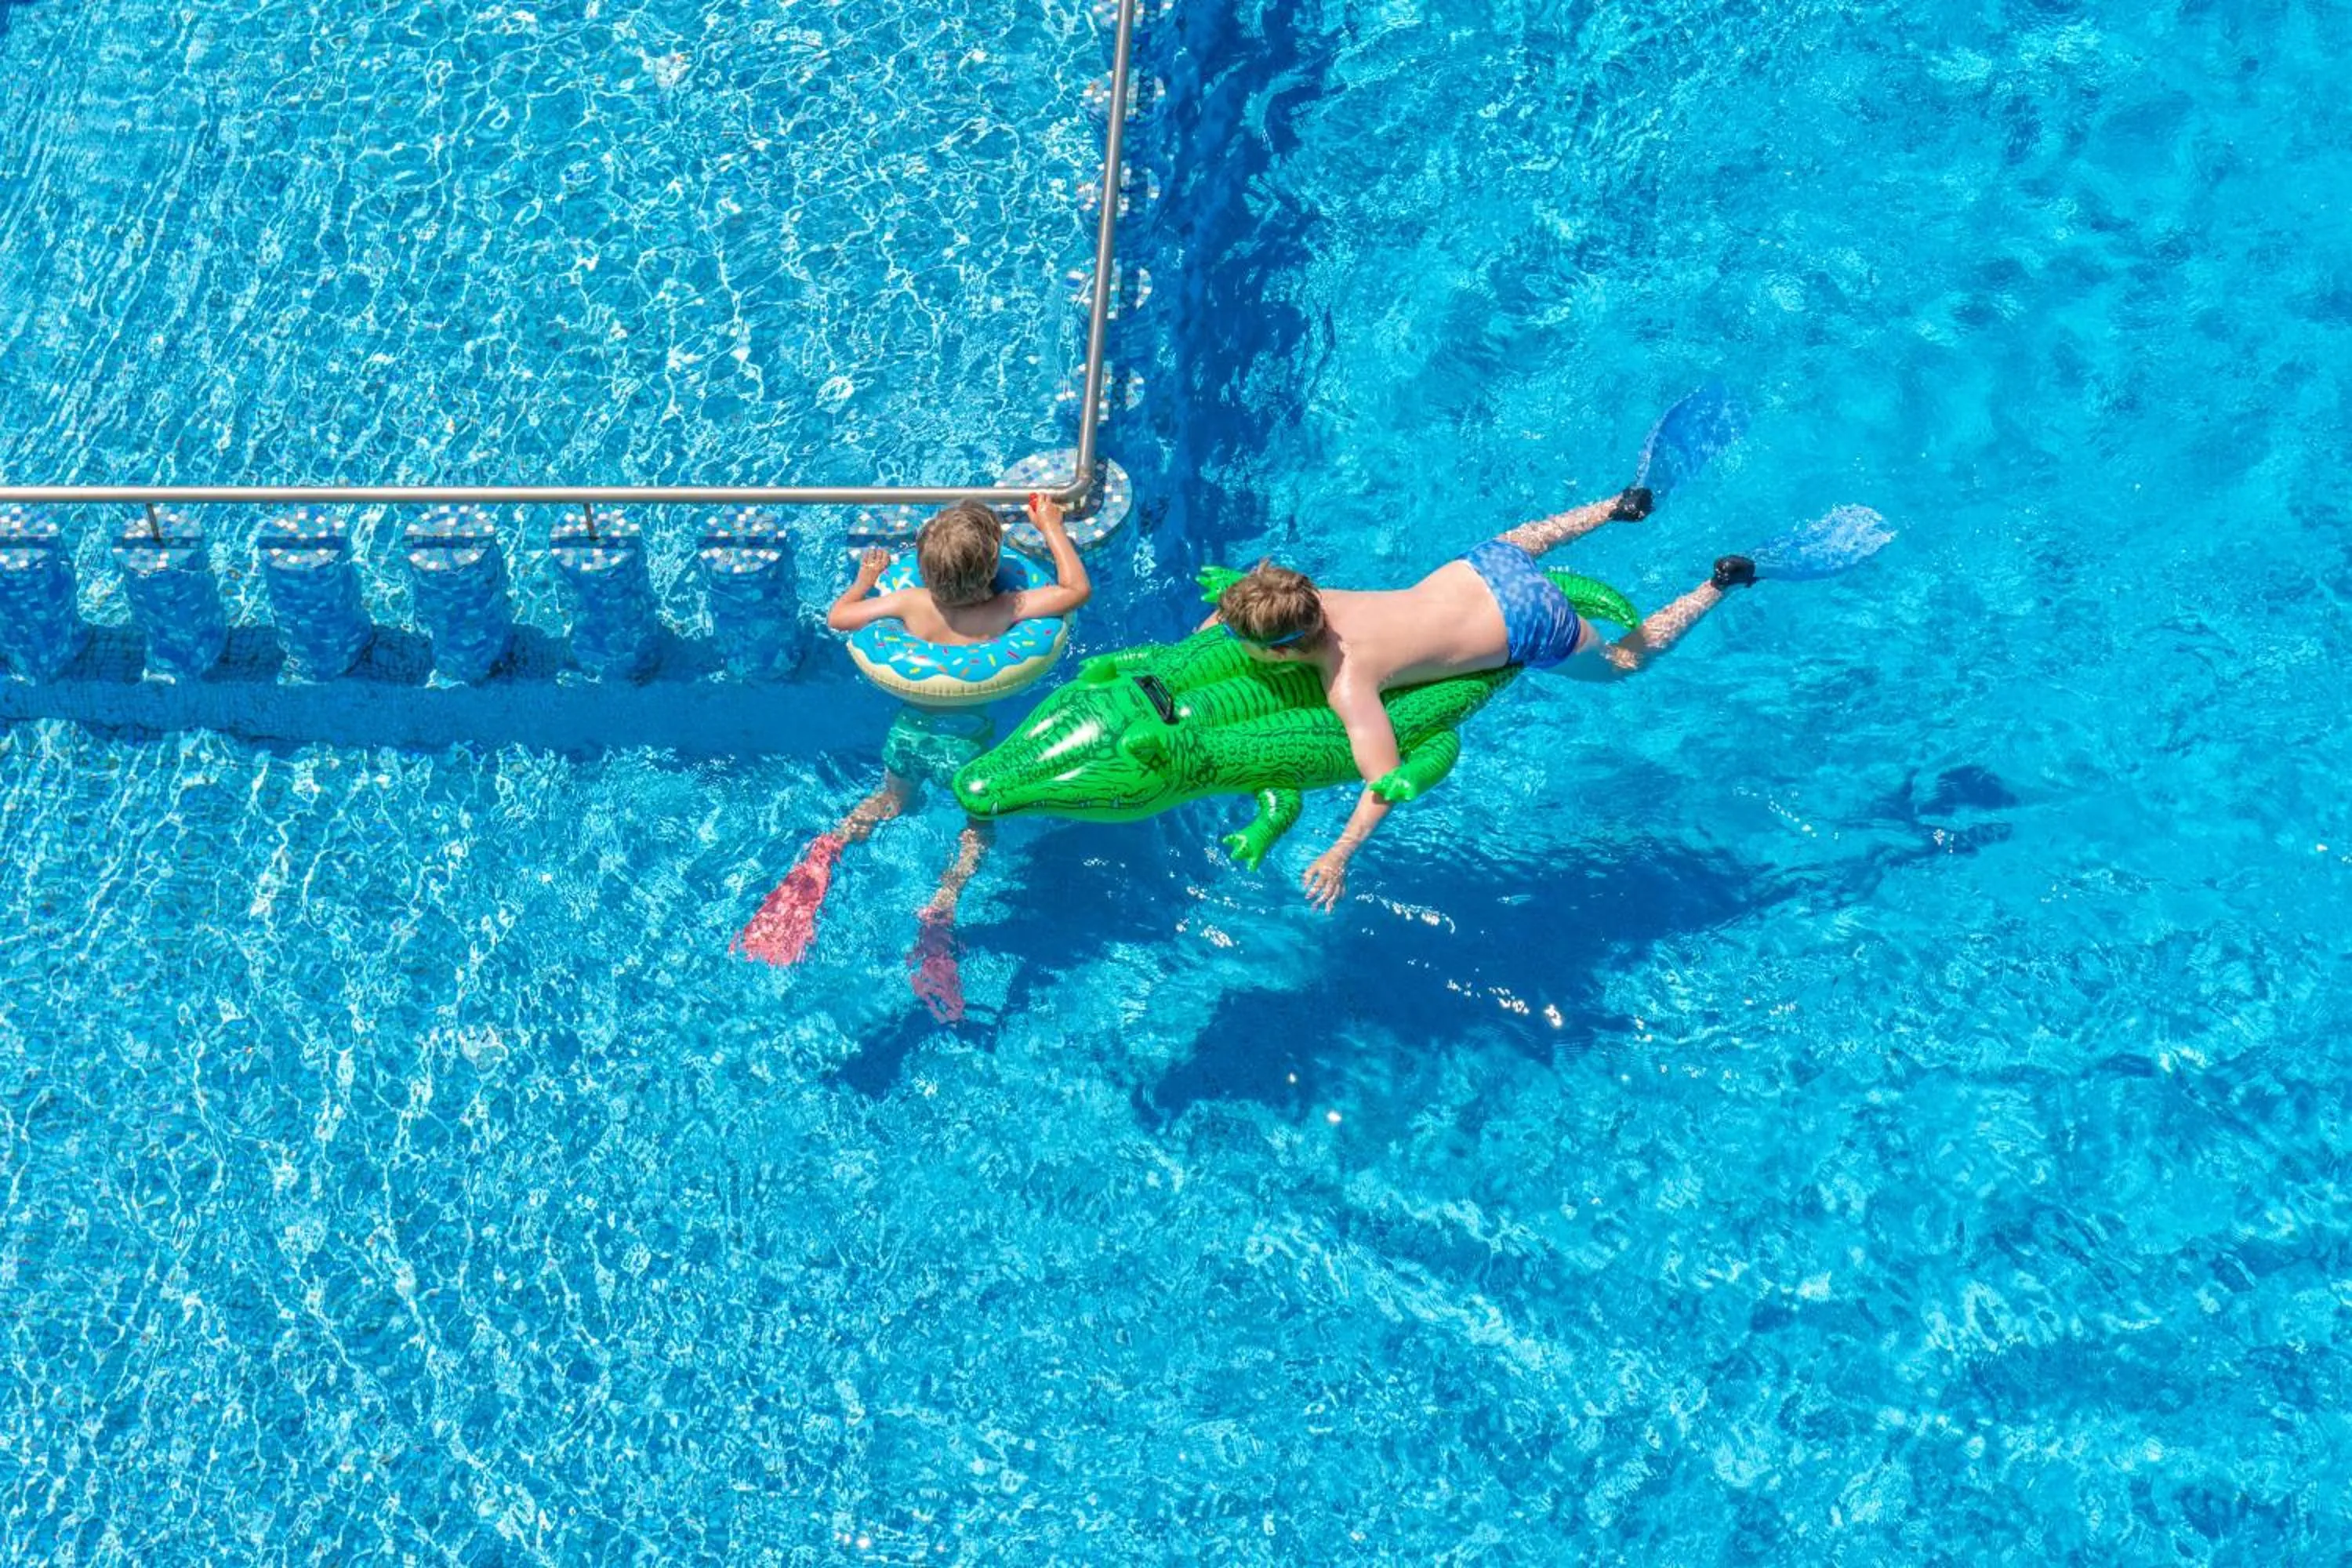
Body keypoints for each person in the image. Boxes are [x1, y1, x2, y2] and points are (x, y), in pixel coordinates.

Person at [1206, 484, 1757, 910]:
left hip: (1530, 622)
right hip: (1483, 569)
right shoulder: (1314, 597)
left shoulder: (1349, 680)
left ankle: (1716, 586)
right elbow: (1242, 612)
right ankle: (1620, 505)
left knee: (1622, 664)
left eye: (1236, 638)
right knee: (1538, 536)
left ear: (1283, 651)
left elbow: (1384, 780)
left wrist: (1340, 852)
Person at [735, 493, 1090, 1021]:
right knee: (978, 827)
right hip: (968, 747)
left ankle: (826, 853)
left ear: (925, 569)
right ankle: (944, 903)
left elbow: (840, 617)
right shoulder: (1005, 610)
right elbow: (1075, 590)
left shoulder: (911, 603)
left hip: (910, 735)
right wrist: (1052, 527)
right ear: (992, 570)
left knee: (889, 801)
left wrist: (865, 578)